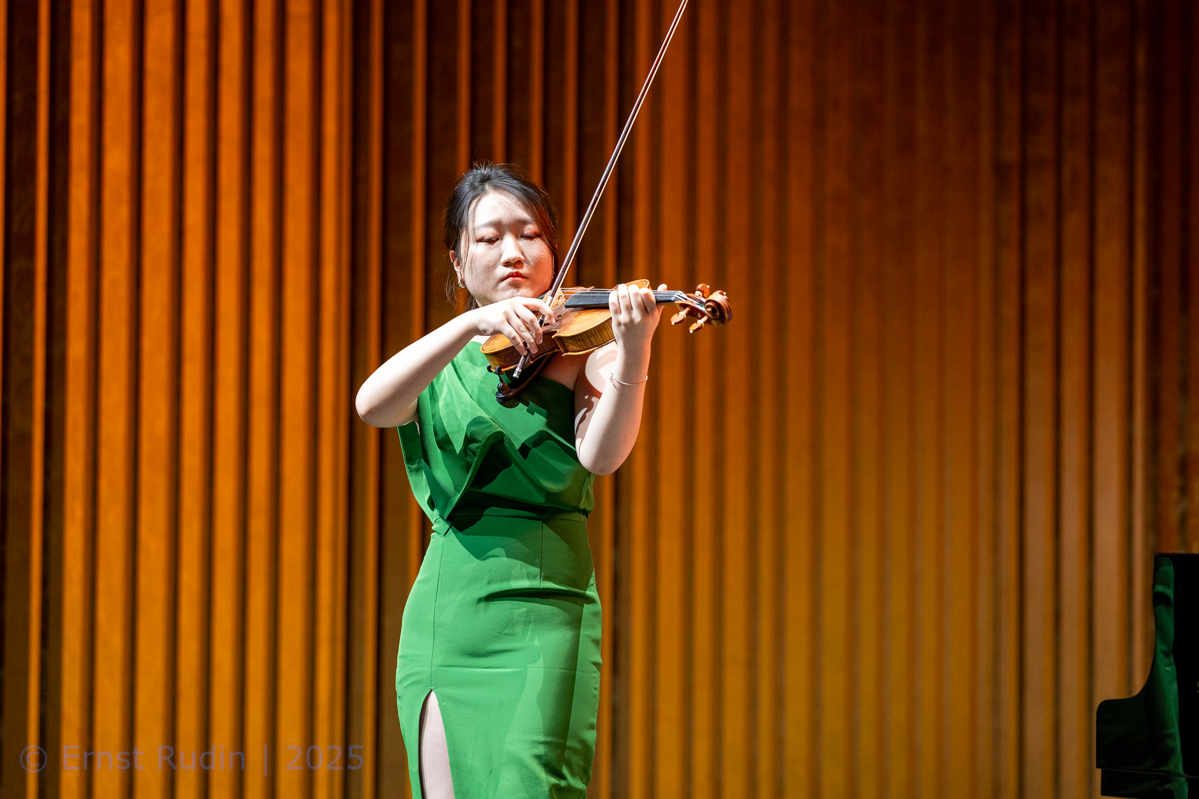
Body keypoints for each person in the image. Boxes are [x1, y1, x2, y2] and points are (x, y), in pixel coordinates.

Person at [355, 163, 667, 798]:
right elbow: (372, 406)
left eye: (530, 235)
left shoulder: (586, 349)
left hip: (546, 606)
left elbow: (601, 456)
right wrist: (470, 325)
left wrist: (634, 352)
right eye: (489, 238)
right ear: (459, 261)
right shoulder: (444, 358)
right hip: (448, 613)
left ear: (553, 249)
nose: (513, 252)